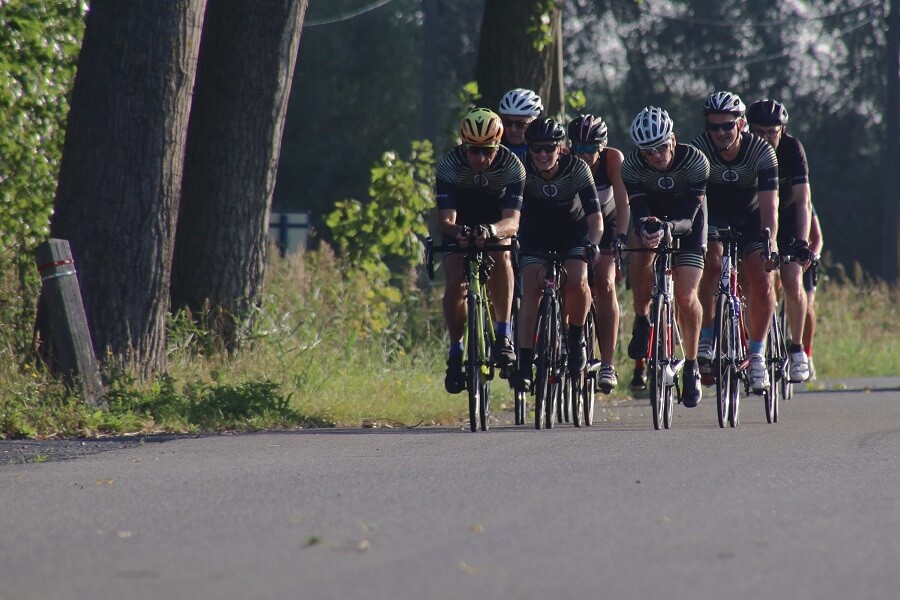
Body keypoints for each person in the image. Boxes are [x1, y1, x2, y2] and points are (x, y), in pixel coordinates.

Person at [691, 91, 779, 393]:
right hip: (713, 216)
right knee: (710, 265)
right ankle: (708, 335)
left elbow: (770, 206)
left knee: (762, 280)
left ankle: (756, 355)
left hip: (751, 219)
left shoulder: (762, 151)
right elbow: (695, 201)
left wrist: (771, 241)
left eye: (726, 126)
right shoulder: (699, 149)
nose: (719, 133)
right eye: (713, 127)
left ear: (740, 124)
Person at [622, 106, 710, 407]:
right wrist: (646, 228)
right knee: (638, 251)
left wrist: (668, 228)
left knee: (686, 296)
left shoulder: (696, 161)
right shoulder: (631, 166)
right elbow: (639, 209)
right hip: (652, 217)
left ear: (672, 139)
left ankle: (692, 364)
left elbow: (689, 216)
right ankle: (643, 318)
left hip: (687, 221)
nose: (656, 155)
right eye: (648, 152)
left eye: (661, 147)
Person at [435, 108, 526, 394]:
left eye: (487, 151)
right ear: (463, 144)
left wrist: (491, 231)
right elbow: (446, 221)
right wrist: (458, 232)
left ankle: (502, 334)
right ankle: (455, 350)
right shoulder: (449, 165)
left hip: (495, 223)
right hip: (460, 222)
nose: (480, 159)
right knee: (454, 278)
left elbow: (512, 221)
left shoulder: (513, 166)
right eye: (473, 151)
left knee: (502, 254)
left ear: (498, 145)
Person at [515, 117, 603, 388]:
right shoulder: (521, 168)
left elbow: (595, 216)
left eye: (549, 148)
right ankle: (526, 361)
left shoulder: (577, 168)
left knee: (577, 279)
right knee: (531, 287)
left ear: (561, 148)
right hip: (536, 232)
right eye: (537, 148)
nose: (543, 154)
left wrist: (594, 243)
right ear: (529, 149)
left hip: (572, 231)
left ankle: (576, 341)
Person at [746, 99, 811, 382]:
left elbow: (802, 200)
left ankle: (797, 350)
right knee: (754, 284)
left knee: (794, 281)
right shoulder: (744, 148)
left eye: (771, 132)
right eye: (758, 131)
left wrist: (803, 241)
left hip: (784, 223)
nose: (764, 137)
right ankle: (750, 346)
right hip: (753, 221)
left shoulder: (792, 149)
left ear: (782, 130)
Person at [566, 114, 630, 392]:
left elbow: (624, 204)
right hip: (577, 222)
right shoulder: (564, 158)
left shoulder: (613, 159)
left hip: (610, 220)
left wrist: (622, 239)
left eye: (590, 149)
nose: (583, 155)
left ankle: (607, 364)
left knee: (604, 282)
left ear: (601, 147)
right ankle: (564, 339)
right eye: (578, 148)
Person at [804, 204, 824, 380]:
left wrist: (813, 255)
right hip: (780, 258)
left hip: (805, 258)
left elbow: (818, 238)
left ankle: (807, 354)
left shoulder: (806, 203)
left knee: (807, 306)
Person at [497, 88, 544, 161]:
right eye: (507, 122)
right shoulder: (493, 149)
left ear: (534, 123)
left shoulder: (546, 152)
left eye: (520, 124)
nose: (513, 129)